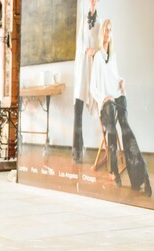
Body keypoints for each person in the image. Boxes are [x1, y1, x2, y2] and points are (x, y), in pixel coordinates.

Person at [89, 19, 152, 196]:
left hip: (118, 95)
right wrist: (103, 98)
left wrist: (121, 81)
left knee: (126, 129)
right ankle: (114, 171)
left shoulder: (113, 55)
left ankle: (141, 178)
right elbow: (93, 87)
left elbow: (114, 76)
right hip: (106, 102)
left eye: (111, 30)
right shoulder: (98, 57)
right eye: (106, 30)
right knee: (111, 128)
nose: (108, 33)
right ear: (102, 33)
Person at [72, 0, 101, 163]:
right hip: (82, 66)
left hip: (93, 67)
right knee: (78, 109)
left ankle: (106, 149)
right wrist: (85, 49)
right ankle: (76, 151)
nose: (93, 2)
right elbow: (80, 39)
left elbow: (101, 44)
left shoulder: (101, 21)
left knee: (100, 108)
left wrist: (95, 51)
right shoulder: (83, 18)